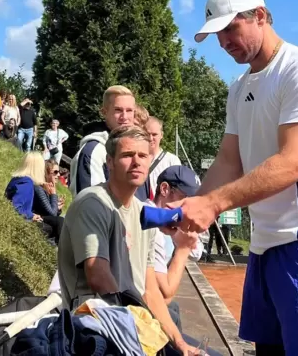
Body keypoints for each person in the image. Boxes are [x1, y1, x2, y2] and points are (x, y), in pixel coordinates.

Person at [170, 0, 298, 356]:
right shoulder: (239, 88)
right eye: (216, 35)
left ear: (259, 16)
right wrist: (190, 208)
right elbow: (229, 159)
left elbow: (292, 163)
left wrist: (213, 206)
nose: (223, 42)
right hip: (265, 248)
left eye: (229, 29)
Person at [57, 126, 199, 355]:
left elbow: (150, 292)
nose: (136, 162)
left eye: (142, 156)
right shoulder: (93, 204)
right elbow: (99, 278)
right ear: (110, 162)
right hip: (96, 326)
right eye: (127, 155)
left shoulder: (144, 215)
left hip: (131, 322)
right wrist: (140, 327)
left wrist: (179, 343)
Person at [148, 165, 204, 329]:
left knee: (174, 310)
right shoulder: (151, 226)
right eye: (185, 197)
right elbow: (162, 296)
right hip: (140, 310)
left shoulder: (170, 221)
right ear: (164, 189)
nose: (190, 206)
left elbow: (197, 252)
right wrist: (183, 248)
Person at [68, 85, 136, 196]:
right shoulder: (93, 152)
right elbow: (90, 206)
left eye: (129, 111)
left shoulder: (135, 150)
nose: (125, 117)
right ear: (104, 112)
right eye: (118, 110)